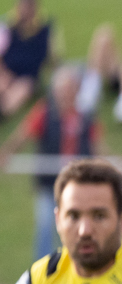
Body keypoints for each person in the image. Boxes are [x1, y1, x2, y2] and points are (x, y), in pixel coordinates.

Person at [0, 64, 102, 259]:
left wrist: (112, 165)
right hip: (49, 184)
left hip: (78, 187)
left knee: (73, 230)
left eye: (69, 89)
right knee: (47, 224)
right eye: (62, 90)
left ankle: (72, 271)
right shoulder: (45, 114)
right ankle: (44, 272)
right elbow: (24, 135)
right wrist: (6, 152)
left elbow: (97, 147)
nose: (65, 94)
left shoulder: (85, 117)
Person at [0, 0, 57, 119]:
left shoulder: (44, 29)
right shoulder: (8, 27)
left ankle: (3, 111)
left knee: (20, 91)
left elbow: (53, 60)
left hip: (28, 77)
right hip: (7, 73)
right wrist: (4, 75)